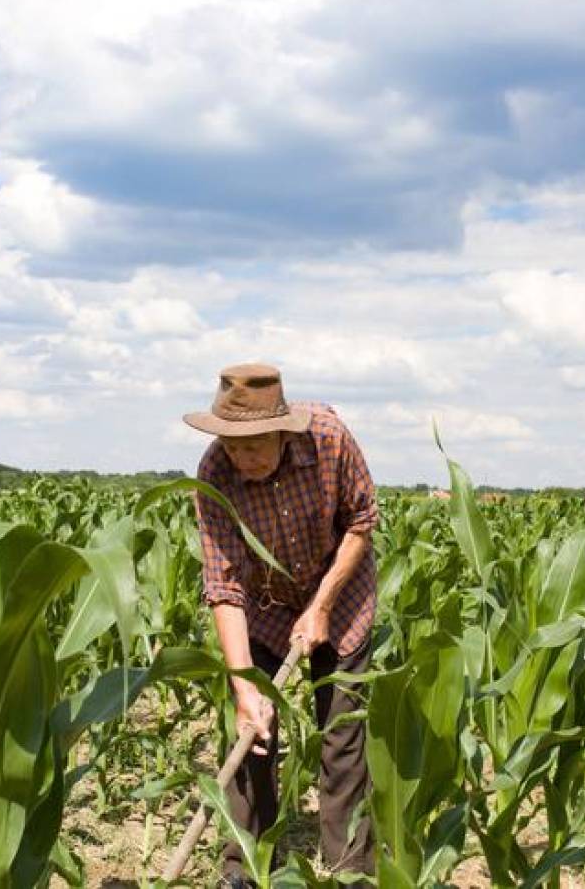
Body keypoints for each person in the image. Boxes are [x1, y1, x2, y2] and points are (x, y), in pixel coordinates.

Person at [183, 362, 377, 888]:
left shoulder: (330, 440)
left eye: (251, 446)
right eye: (230, 444)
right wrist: (246, 687)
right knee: (253, 735)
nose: (238, 457)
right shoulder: (215, 474)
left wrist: (321, 606)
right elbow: (223, 587)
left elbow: (362, 521)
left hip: (342, 598)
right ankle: (242, 867)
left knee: (341, 738)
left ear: (281, 434)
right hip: (265, 611)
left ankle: (350, 872)